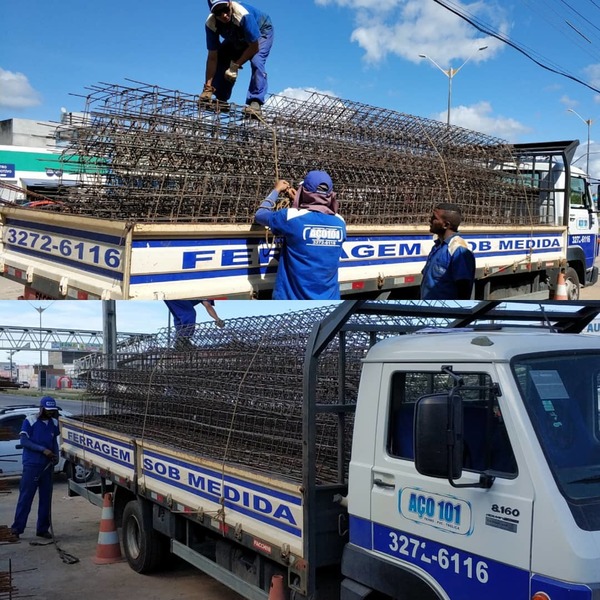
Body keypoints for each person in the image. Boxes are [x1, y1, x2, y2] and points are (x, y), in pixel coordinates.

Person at [254, 170, 346, 299]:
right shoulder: (340, 222)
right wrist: (299, 201)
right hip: (330, 299)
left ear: (304, 191)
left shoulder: (291, 217)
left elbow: (260, 215)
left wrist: (276, 190)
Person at [199, 0, 274, 118]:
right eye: (218, 13)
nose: (224, 15)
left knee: (257, 61)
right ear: (213, 13)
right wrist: (208, 87)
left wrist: (235, 66)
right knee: (222, 56)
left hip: (261, 30)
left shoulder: (243, 15)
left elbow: (254, 47)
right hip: (237, 35)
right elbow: (213, 57)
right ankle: (222, 99)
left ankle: (255, 102)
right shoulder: (211, 24)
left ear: (229, 4)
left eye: (225, 9)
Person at [9, 396, 60, 540]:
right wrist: (42, 450)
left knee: (46, 498)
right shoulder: (30, 421)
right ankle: (17, 528)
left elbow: (54, 441)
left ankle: (42, 529)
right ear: (41, 408)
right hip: (32, 465)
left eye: (52, 410)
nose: (50, 413)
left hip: (47, 466)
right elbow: (24, 441)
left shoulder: (54, 423)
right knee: (26, 497)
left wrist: (56, 455)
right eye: (48, 410)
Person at [420, 202, 476, 300]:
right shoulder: (437, 247)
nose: (430, 220)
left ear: (446, 225)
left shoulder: (458, 250)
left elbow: (463, 290)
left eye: (434, 218)